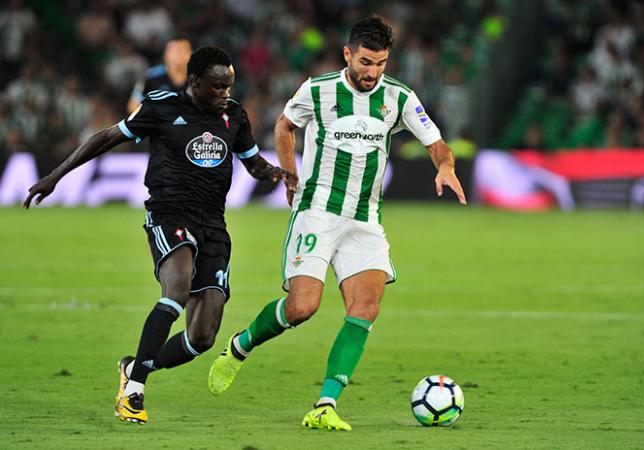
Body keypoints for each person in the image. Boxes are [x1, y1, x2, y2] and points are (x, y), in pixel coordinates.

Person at [207, 15, 466, 431]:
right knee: (302, 307)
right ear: (348, 54)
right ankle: (240, 346)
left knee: (366, 307)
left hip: (365, 220)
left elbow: (436, 143)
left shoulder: (399, 98)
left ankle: (325, 405)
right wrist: (289, 173)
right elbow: (285, 126)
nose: (372, 72)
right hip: (317, 212)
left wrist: (445, 166)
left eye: (380, 63)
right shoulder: (317, 89)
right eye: (365, 62)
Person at [24, 46, 295, 424]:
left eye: (229, 86)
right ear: (195, 82)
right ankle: (134, 392)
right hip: (170, 214)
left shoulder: (234, 115)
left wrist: (276, 173)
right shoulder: (161, 106)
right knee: (177, 290)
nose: (225, 94)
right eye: (217, 87)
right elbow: (105, 138)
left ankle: (135, 366)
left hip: (213, 224)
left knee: (202, 337)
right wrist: (56, 175)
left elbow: (252, 163)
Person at [126, 35, 192, 113]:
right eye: (176, 51)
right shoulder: (151, 77)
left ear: (190, 54)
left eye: (184, 50)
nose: (179, 55)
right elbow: (133, 106)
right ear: (165, 55)